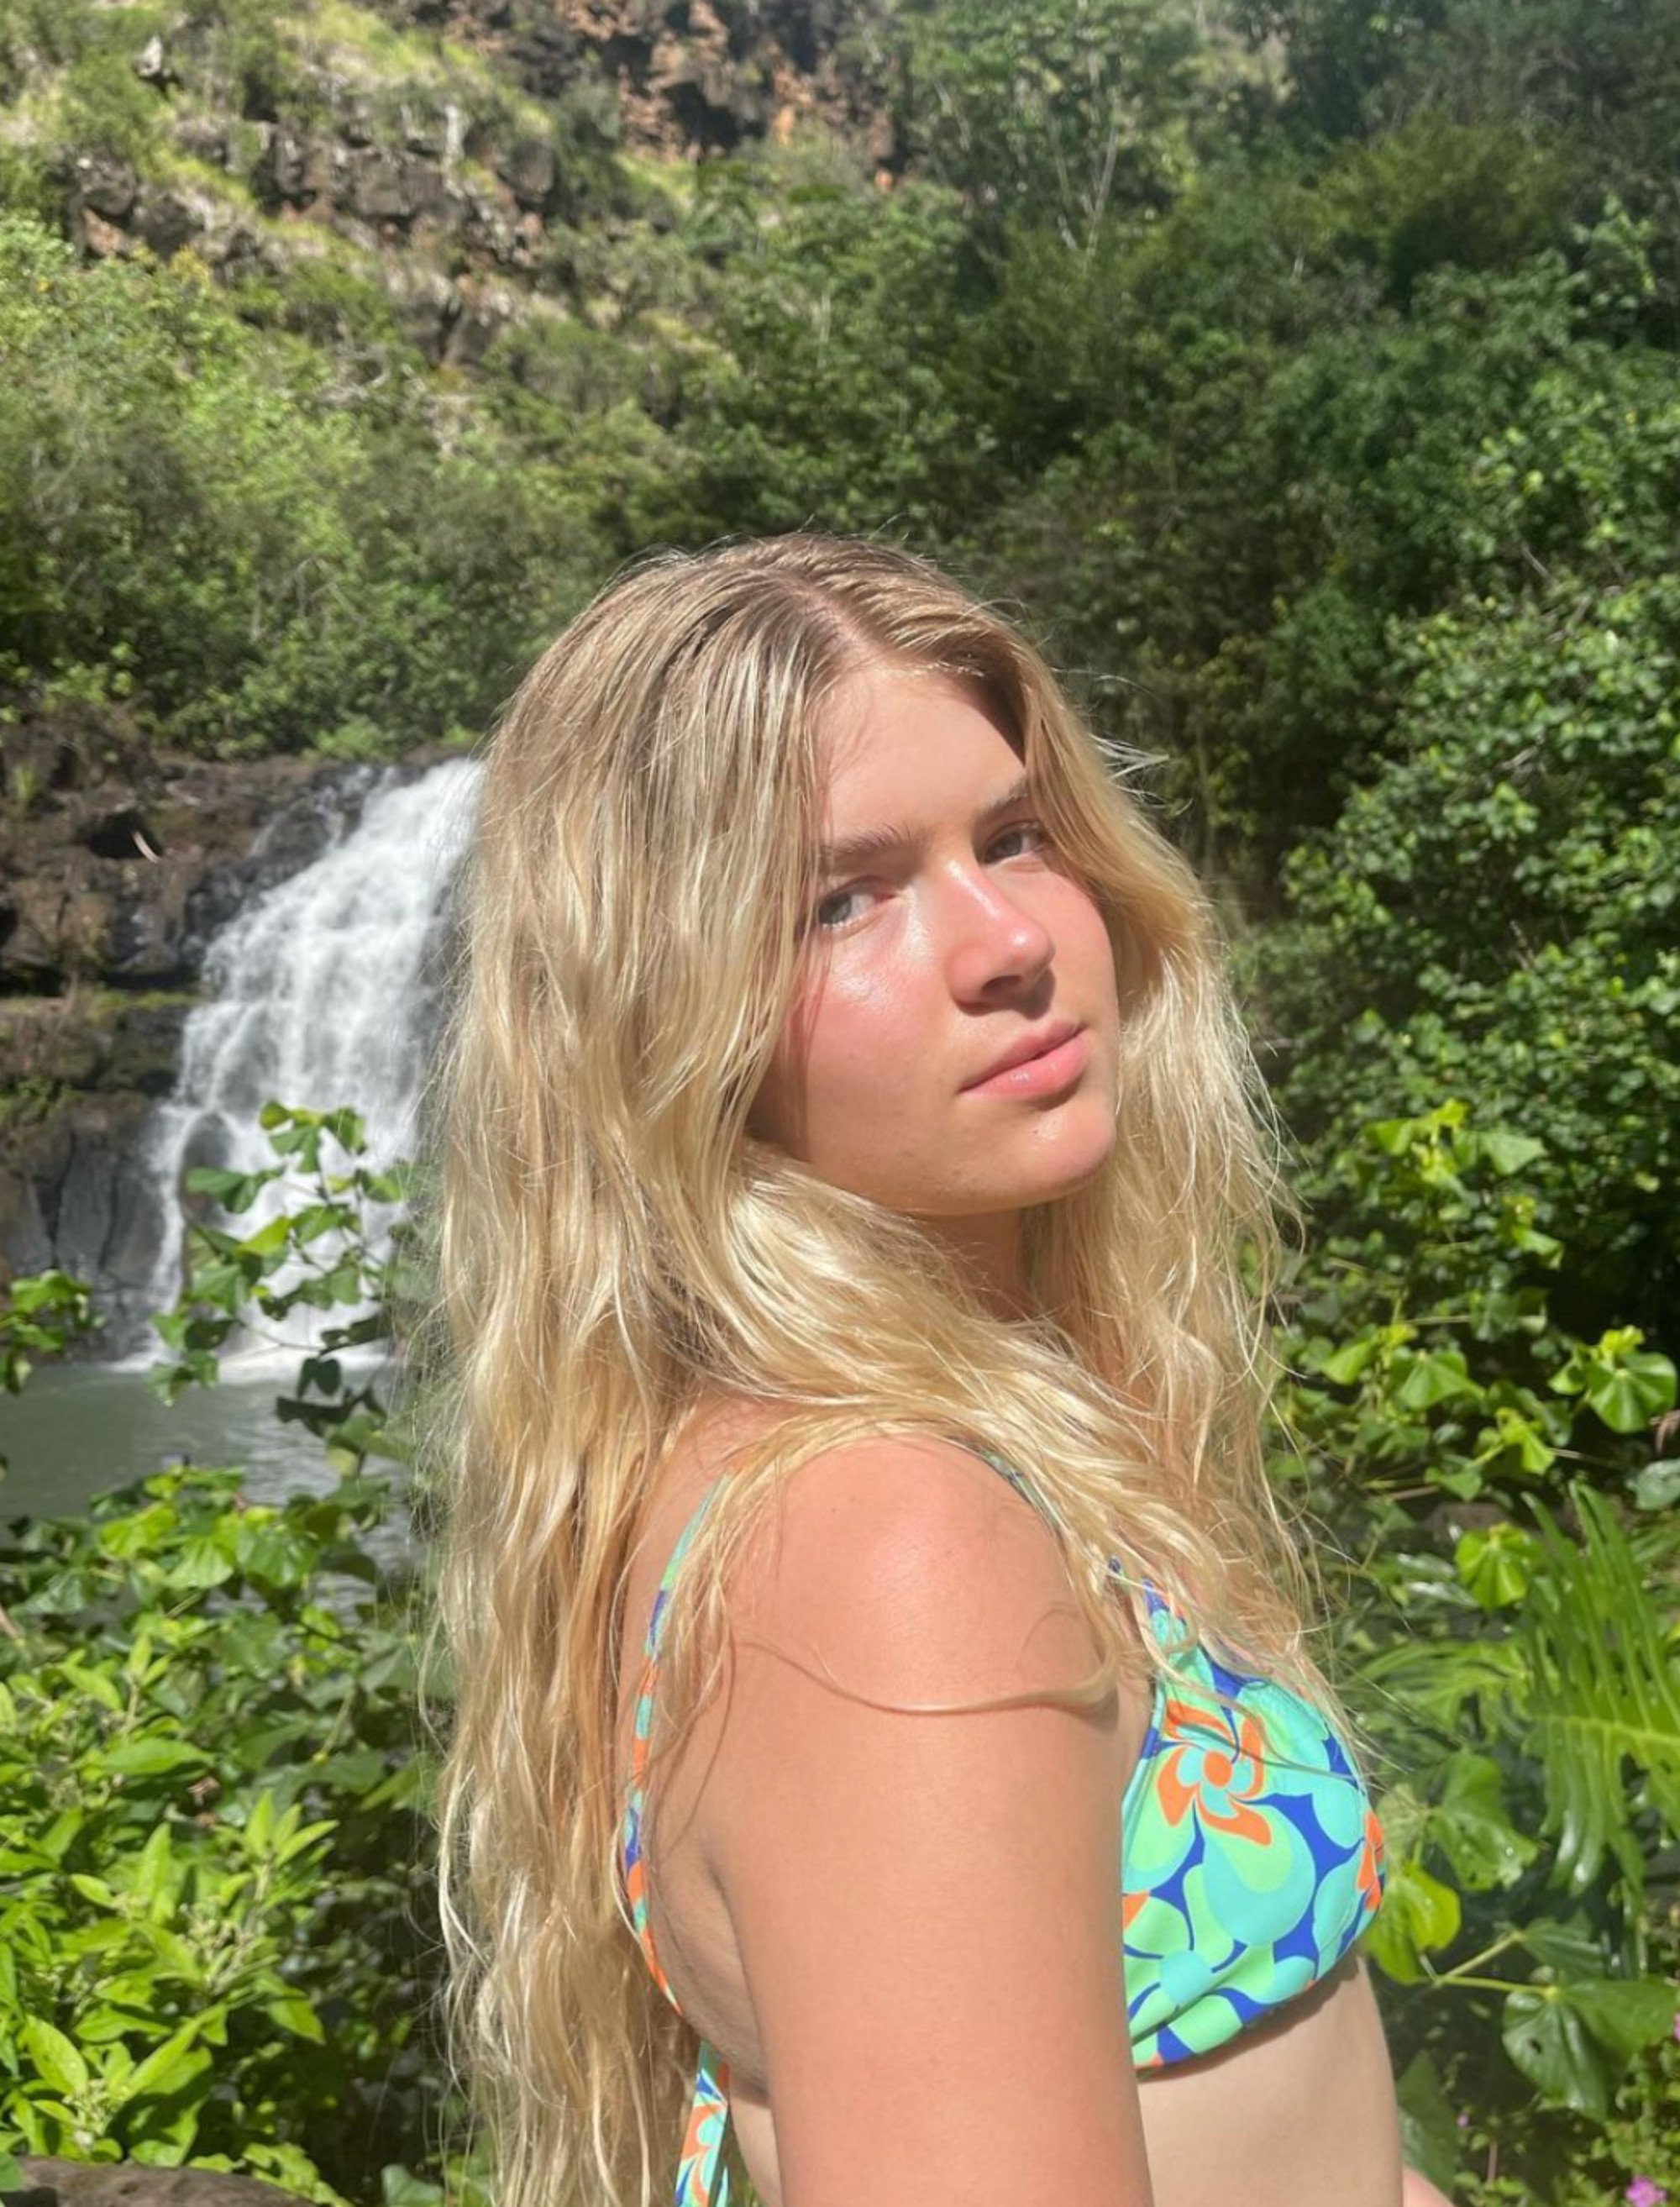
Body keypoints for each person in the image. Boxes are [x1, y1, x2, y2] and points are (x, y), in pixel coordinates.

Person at [428, 533, 1447, 2207]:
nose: (1006, 942)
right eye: (845, 898)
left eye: (1015, 837)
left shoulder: (933, 1433)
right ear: (666, 1017)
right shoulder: (889, 1543)